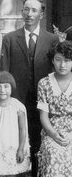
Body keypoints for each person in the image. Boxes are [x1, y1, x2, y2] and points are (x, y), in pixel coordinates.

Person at [0, 0, 59, 176]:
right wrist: (5, 100)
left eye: (34, 10)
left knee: (39, 141)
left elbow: (57, 71)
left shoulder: (52, 39)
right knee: (17, 141)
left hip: (43, 103)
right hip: (18, 100)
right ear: (21, 12)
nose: (29, 14)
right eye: (26, 9)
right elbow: (4, 73)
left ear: (42, 13)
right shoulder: (10, 39)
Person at [0, 71, 31, 176]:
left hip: (13, 147)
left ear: (11, 87)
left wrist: (21, 149)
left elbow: (23, 129)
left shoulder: (18, 107)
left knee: (12, 173)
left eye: (6, 86)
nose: (2, 90)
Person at [37, 40, 72, 176]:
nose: (62, 65)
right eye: (58, 60)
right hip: (51, 132)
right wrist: (55, 135)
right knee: (54, 153)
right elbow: (43, 116)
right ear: (52, 60)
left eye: (67, 60)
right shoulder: (44, 83)